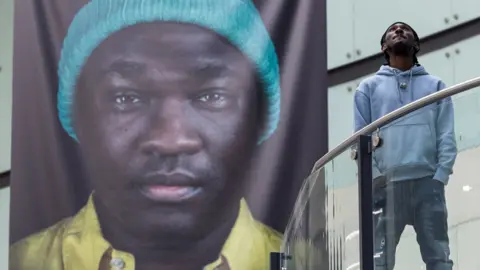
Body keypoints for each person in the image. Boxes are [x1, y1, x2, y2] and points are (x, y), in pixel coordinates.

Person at [9, 1, 283, 269]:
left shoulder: (310, 263)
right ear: (76, 116)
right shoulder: (21, 263)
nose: (170, 140)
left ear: (259, 119)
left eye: (212, 96)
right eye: (125, 97)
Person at [353, 22, 457, 270]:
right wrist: (376, 179)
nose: (399, 31)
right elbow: (360, 142)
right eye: (392, 30)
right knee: (379, 261)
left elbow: (447, 136)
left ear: (417, 45)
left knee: (439, 259)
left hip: (427, 184)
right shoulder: (367, 88)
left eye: (405, 30)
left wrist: (439, 177)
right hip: (386, 188)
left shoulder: (436, 86)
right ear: (383, 47)